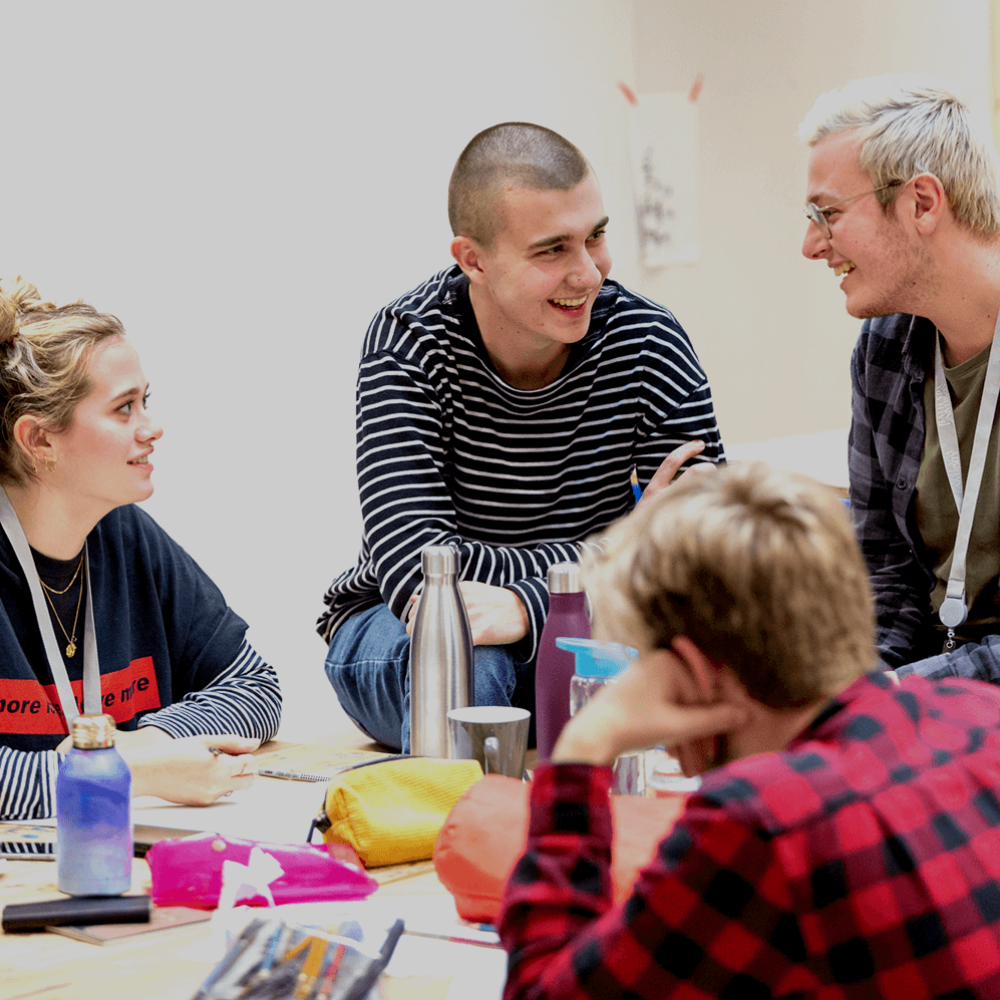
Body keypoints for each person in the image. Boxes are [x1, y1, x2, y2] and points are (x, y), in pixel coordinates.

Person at [500, 461, 1000, 998]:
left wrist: (582, 748)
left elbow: (543, 992)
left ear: (691, 672)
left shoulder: (757, 821)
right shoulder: (978, 713)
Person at [318, 122, 724, 752]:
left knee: (705, 664)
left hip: (589, 627)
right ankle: (458, 842)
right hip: (407, 633)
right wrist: (622, 552)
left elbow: (708, 558)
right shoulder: (408, 343)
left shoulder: (647, 338)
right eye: (552, 250)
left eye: (596, 237)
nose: (588, 273)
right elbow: (425, 580)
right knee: (471, 662)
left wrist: (529, 605)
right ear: (472, 260)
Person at [0, 278, 282, 821]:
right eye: (123, 408)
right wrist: (130, 773)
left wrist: (149, 740)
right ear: (40, 441)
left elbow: (256, 686)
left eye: (145, 401)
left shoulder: (125, 533)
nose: (153, 428)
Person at [800, 74, 1000, 684]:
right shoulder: (884, 347)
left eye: (827, 214)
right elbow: (885, 572)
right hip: (932, 696)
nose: (811, 245)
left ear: (922, 203)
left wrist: (900, 692)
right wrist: (856, 690)